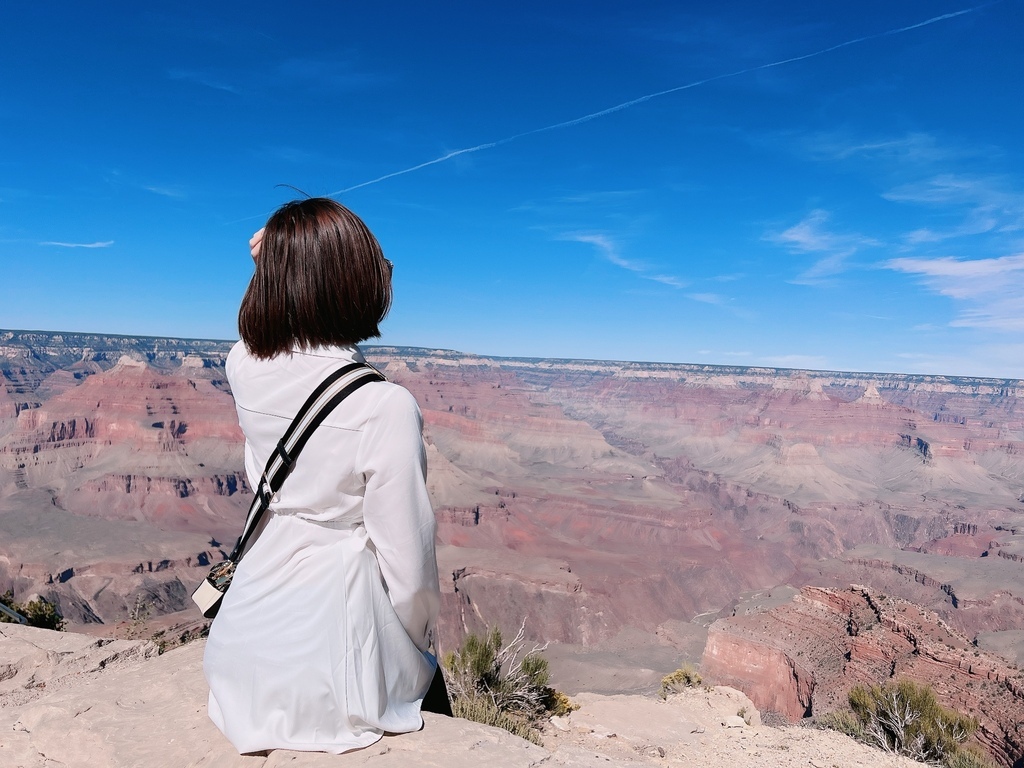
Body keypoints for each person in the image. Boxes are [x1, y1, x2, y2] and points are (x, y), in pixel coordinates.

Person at [203, 197, 442, 755]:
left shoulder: (244, 366)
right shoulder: (383, 405)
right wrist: (416, 644)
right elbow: (408, 560)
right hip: (336, 671)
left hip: (245, 648)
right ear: (351, 282)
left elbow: (263, 324)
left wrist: (275, 261)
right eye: (377, 265)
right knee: (420, 675)